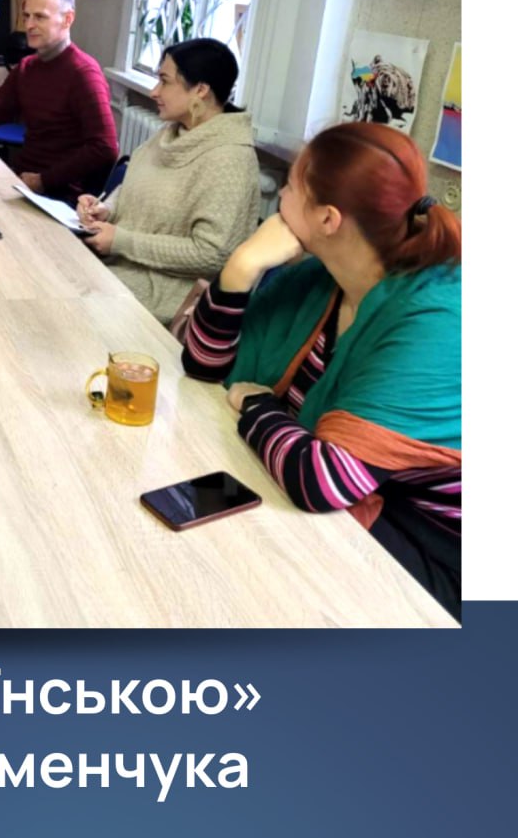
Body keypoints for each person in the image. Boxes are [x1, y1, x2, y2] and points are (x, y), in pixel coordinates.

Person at [181, 123, 461, 618]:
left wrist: (256, 403)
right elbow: (202, 364)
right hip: (320, 496)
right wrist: (241, 268)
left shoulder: (436, 319)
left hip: (432, 551)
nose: (280, 198)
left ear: (328, 218)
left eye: (290, 187)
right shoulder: (321, 276)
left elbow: (323, 480)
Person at [75, 38, 260, 324]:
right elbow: (137, 185)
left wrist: (122, 241)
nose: (154, 91)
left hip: (162, 300)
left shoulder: (231, 160)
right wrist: (106, 209)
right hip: (118, 271)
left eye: (164, 81)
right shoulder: (173, 132)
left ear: (200, 90)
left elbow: (212, 254)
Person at [0, 0, 118, 203]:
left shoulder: (84, 73)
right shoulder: (27, 67)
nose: (29, 25)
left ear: (67, 19)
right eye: (27, 16)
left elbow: (105, 147)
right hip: (23, 182)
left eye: (40, 17)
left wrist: (44, 180)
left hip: (60, 196)